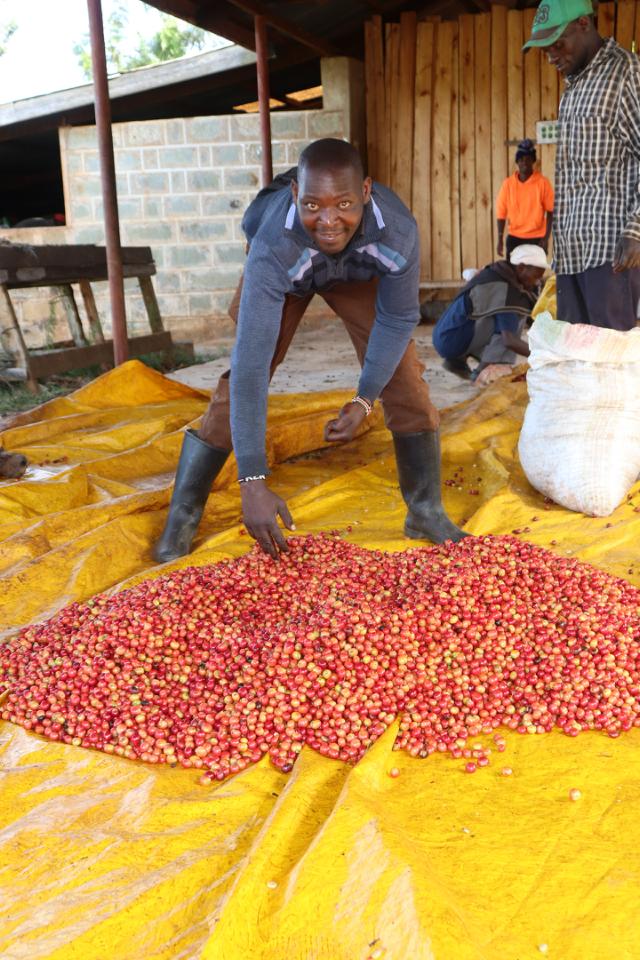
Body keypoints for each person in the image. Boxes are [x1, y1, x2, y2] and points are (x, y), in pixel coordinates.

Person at [153, 138, 465, 563]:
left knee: (404, 376)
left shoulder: (398, 231)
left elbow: (395, 320)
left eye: (345, 204)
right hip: (291, 272)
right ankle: (183, 516)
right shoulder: (272, 246)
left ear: (368, 192)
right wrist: (253, 481)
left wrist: (363, 399)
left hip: (354, 273)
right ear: (296, 195)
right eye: (313, 205)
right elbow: (251, 364)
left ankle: (426, 512)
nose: (330, 220)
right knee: (244, 378)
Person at [524, 0, 640, 330]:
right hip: (573, 255)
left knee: (607, 364)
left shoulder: (625, 73)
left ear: (584, 25)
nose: (551, 57)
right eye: (545, 50)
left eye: (557, 44)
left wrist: (636, 229)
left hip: (611, 255)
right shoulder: (575, 86)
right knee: (576, 362)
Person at [432, 245, 549, 381]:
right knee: (513, 321)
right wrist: (543, 354)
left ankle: (457, 361)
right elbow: (509, 341)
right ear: (521, 267)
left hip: (445, 337)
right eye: (536, 276)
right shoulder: (505, 290)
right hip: (451, 340)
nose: (537, 282)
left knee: (508, 318)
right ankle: (484, 371)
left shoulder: (496, 273)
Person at [496, 139, 554, 259]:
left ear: (533, 161)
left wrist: (546, 238)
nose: (525, 163)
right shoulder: (508, 184)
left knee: (533, 276)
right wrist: (500, 239)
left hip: (537, 238)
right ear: (517, 162)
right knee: (512, 274)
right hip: (514, 237)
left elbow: (551, 211)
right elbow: (501, 214)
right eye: (521, 159)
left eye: (528, 159)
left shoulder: (543, 183)